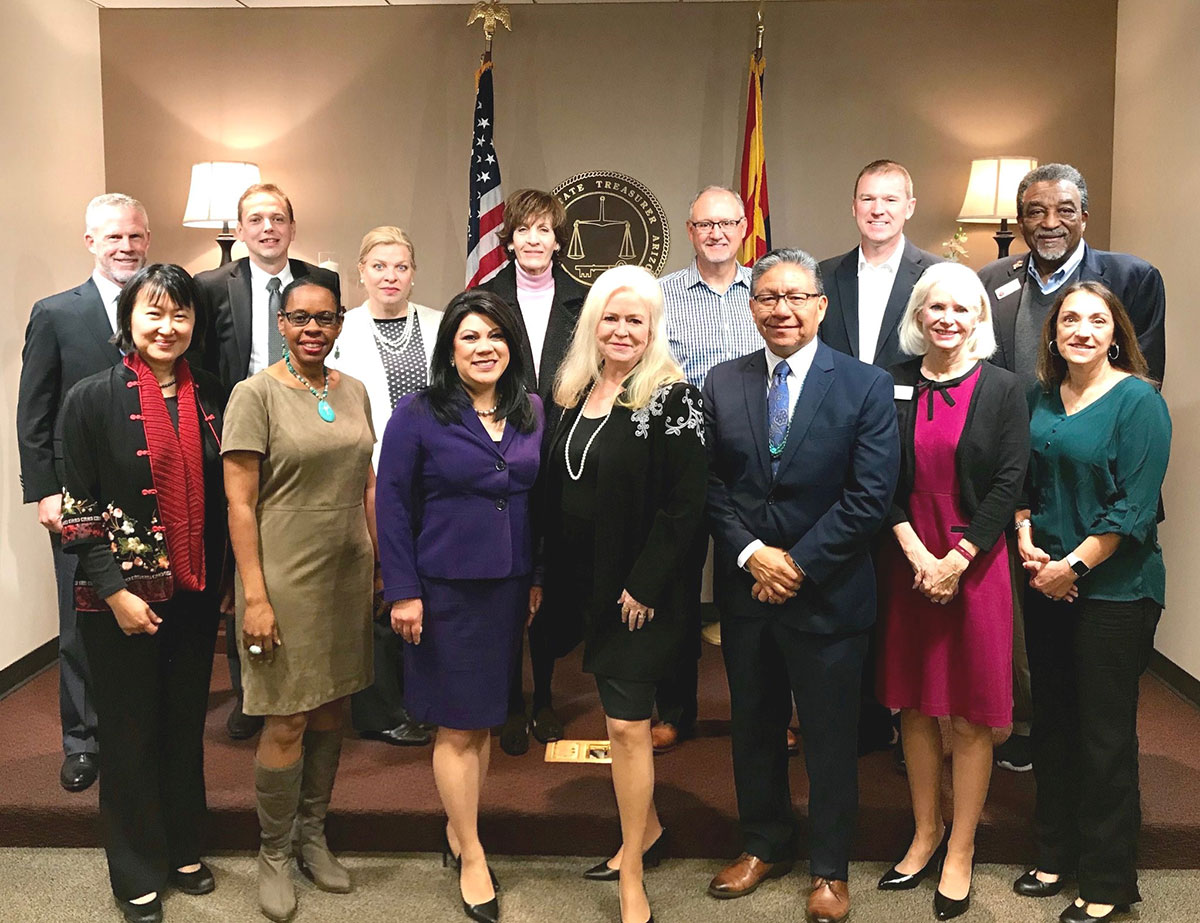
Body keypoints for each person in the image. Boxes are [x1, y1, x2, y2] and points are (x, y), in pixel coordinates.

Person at [704, 248, 899, 923]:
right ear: (751, 306)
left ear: (820, 305)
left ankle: (829, 866)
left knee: (828, 736)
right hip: (747, 592)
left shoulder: (865, 385)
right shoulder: (721, 382)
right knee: (753, 726)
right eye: (767, 297)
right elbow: (713, 487)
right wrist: (755, 554)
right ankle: (763, 843)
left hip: (829, 593)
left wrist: (797, 563)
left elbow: (870, 495)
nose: (780, 309)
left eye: (795, 296)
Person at [979, 163, 1167, 774]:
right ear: (1021, 219)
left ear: (1085, 214)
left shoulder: (1132, 278)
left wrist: (1077, 557)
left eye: (1064, 209)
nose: (1049, 222)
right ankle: (1034, 744)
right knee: (1047, 678)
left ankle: (1103, 856)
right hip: (1035, 500)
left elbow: (1145, 383)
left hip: (1105, 517)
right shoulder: (994, 281)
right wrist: (1025, 524)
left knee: (1103, 716)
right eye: (1035, 210)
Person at [58, 263, 227, 923]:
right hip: (119, 601)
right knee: (128, 734)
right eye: (153, 313)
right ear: (129, 318)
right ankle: (133, 869)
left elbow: (226, 497)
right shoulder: (90, 399)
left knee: (184, 725)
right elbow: (79, 511)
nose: (167, 326)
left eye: (179, 314)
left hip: (193, 593)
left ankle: (184, 844)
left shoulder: (213, 394)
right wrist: (116, 591)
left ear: (194, 322)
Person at [541, 265, 708, 923]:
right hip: (588, 584)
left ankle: (633, 870)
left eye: (634, 319)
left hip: (641, 591)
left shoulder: (673, 397)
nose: (621, 329)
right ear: (592, 325)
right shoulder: (576, 387)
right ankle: (651, 828)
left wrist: (644, 581)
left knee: (625, 726)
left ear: (653, 327)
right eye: (610, 317)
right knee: (622, 721)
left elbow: (686, 504)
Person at [376, 290, 544, 923]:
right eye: (470, 336)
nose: (484, 347)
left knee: (486, 717)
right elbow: (392, 506)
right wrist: (404, 591)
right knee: (455, 723)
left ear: (511, 344)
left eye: (495, 335)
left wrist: (536, 579)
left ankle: (462, 826)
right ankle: (471, 851)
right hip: (442, 590)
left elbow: (538, 503)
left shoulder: (529, 410)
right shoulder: (417, 413)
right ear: (451, 347)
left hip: (507, 587)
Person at [874, 262, 1028, 920]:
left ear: (979, 320)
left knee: (967, 714)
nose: (947, 318)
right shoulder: (892, 384)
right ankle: (925, 830)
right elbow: (879, 473)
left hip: (976, 561)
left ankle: (960, 846)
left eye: (962, 308)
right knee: (912, 706)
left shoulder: (1003, 388)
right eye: (935, 306)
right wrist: (915, 551)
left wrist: (955, 558)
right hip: (908, 560)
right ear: (917, 314)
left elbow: (1010, 481)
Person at [1013, 281, 1170, 923]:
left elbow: (1132, 509)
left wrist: (1071, 565)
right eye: (1069, 318)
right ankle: (1056, 853)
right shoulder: (1040, 399)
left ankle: (1107, 880)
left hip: (1114, 590)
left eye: (1096, 320)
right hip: (1046, 579)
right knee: (1052, 723)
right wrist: (1026, 537)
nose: (1081, 329)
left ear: (1115, 333)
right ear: (1052, 333)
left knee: (1103, 736)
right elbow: (1023, 480)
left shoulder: (1139, 401)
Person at [222, 276, 374, 923]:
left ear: (339, 324)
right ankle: (275, 851)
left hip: (347, 572)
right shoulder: (253, 394)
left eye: (325, 318)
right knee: (286, 714)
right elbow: (239, 501)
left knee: (333, 703)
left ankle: (314, 834)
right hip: (282, 576)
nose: (313, 328)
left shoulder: (354, 389)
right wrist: (254, 595)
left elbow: (367, 476)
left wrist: (381, 557)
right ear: (281, 324)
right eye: (300, 318)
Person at [195, 182, 342, 741]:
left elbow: (328, 345)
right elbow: (204, 363)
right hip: (242, 428)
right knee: (240, 562)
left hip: (305, 423)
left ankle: (314, 677)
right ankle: (248, 694)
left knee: (297, 557)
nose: (267, 228)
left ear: (292, 226)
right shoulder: (211, 286)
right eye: (255, 219)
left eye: (277, 217)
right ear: (241, 227)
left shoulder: (319, 281)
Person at [17, 192, 151, 794]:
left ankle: (142, 733)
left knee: (147, 605)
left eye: (136, 237)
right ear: (91, 241)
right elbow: (34, 412)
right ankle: (84, 740)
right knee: (81, 616)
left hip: (148, 490)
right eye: (114, 237)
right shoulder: (55, 313)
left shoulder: (165, 308)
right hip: (76, 492)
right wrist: (43, 491)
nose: (126, 247)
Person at [817, 160, 942, 756]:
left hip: (910, 443)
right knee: (845, 582)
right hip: (830, 448)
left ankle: (907, 718)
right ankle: (855, 716)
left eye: (891, 199)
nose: (879, 209)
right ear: (854, 206)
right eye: (868, 198)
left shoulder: (938, 277)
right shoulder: (824, 275)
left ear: (910, 207)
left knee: (898, 586)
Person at [478, 188, 586, 754]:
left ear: (558, 238)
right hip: (505, 447)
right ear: (510, 238)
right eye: (524, 230)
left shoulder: (584, 300)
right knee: (507, 579)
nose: (534, 240)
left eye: (544, 230)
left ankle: (543, 694)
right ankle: (510, 700)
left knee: (552, 584)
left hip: (564, 455)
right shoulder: (486, 297)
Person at [655, 185, 761, 754]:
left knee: (749, 590)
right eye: (705, 224)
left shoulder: (767, 293)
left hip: (755, 462)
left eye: (727, 222)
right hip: (683, 458)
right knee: (675, 588)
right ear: (690, 231)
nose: (716, 233)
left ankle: (760, 709)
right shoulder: (663, 295)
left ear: (744, 228)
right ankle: (674, 709)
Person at [329, 226, 443, 748]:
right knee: (378, 588)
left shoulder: (444, 325)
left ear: (413, 272)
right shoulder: (339, 331)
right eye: (379, 267)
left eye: (400, 267)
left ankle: (427, 699)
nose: (390, 276)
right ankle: (379, 710)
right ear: (361, 272)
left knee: (428, 589)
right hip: (368, 479)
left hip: (436, 478)